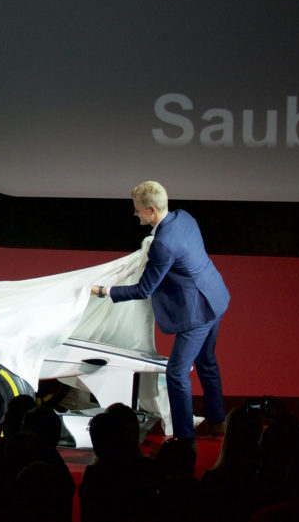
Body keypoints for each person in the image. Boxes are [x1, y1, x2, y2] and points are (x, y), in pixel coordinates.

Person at [91, 181, 230, 442]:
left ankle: (184, 441)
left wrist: (105, 291)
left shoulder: (163, 244)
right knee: (206, 361)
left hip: (197, 311)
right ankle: (216, 422)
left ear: (152, 210)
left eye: (138, 210)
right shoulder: (184, 218)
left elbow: (144, 290)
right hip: (215, 296)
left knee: (177, 373)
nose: (136, 214)